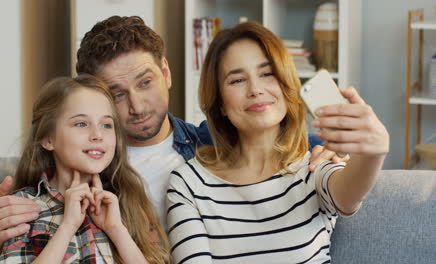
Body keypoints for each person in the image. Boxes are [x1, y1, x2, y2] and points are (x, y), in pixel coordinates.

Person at [0, 16, 345, 263]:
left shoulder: (210, 148)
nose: (136, 106)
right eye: (116, 94)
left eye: (145, 82)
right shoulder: (79, 170)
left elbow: (280, 141)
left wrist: (321, 147)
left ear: (166, 72)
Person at [166, 21, 389, 263]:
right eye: (237, 80)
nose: (256, 89)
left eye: (267, 73)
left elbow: (348, 196)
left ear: (285, 83)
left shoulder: (313, 167)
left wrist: (374, 153)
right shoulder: (188, 184)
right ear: (220, 103)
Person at [0, 75, 169, 263]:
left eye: (106, 125)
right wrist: (67, 226)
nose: (97, 135)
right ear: (48, 139)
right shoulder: (22, 208)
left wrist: (117, 230)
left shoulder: (128, 203)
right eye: (81, 124)